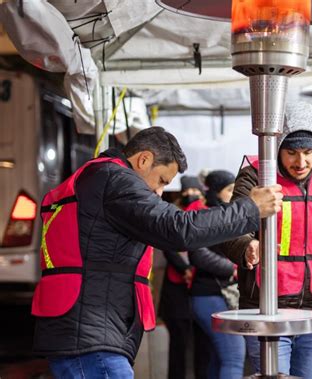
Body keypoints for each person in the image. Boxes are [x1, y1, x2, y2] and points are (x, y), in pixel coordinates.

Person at [30, 126, 283, 378]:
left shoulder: (98, 178)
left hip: (83, 331)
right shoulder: (114, 180)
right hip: (90, 337)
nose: (160, 193)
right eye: (162, 180)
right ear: (144, 159)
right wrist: (250, 209)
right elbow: (178, 229)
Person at [222, 102, 312, 379]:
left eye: (308, 152)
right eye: (291, 152)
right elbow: (231, 229)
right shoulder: (255, 175)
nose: (300, 162)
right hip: (266, 313)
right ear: (277, 148)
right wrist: (247, 247)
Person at [188, 170, 246, 379]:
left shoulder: (231, 217)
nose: (234, 194)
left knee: (218, 357)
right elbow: (198, 255)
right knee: (233, 356)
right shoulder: (204, 216)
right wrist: (233, 269)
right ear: (215, 192)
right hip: (209, 295)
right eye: (229, 190)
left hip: (219, 296)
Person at [158, 175, 209, 379]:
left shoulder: (205, 213)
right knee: (178, 345)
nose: (190, 195)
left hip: (199, 286)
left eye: (194, 191)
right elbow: (168, 248)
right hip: (177, 289)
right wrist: (185, 269)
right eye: (186, 191)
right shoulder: (172, 214)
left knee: (202, 345)